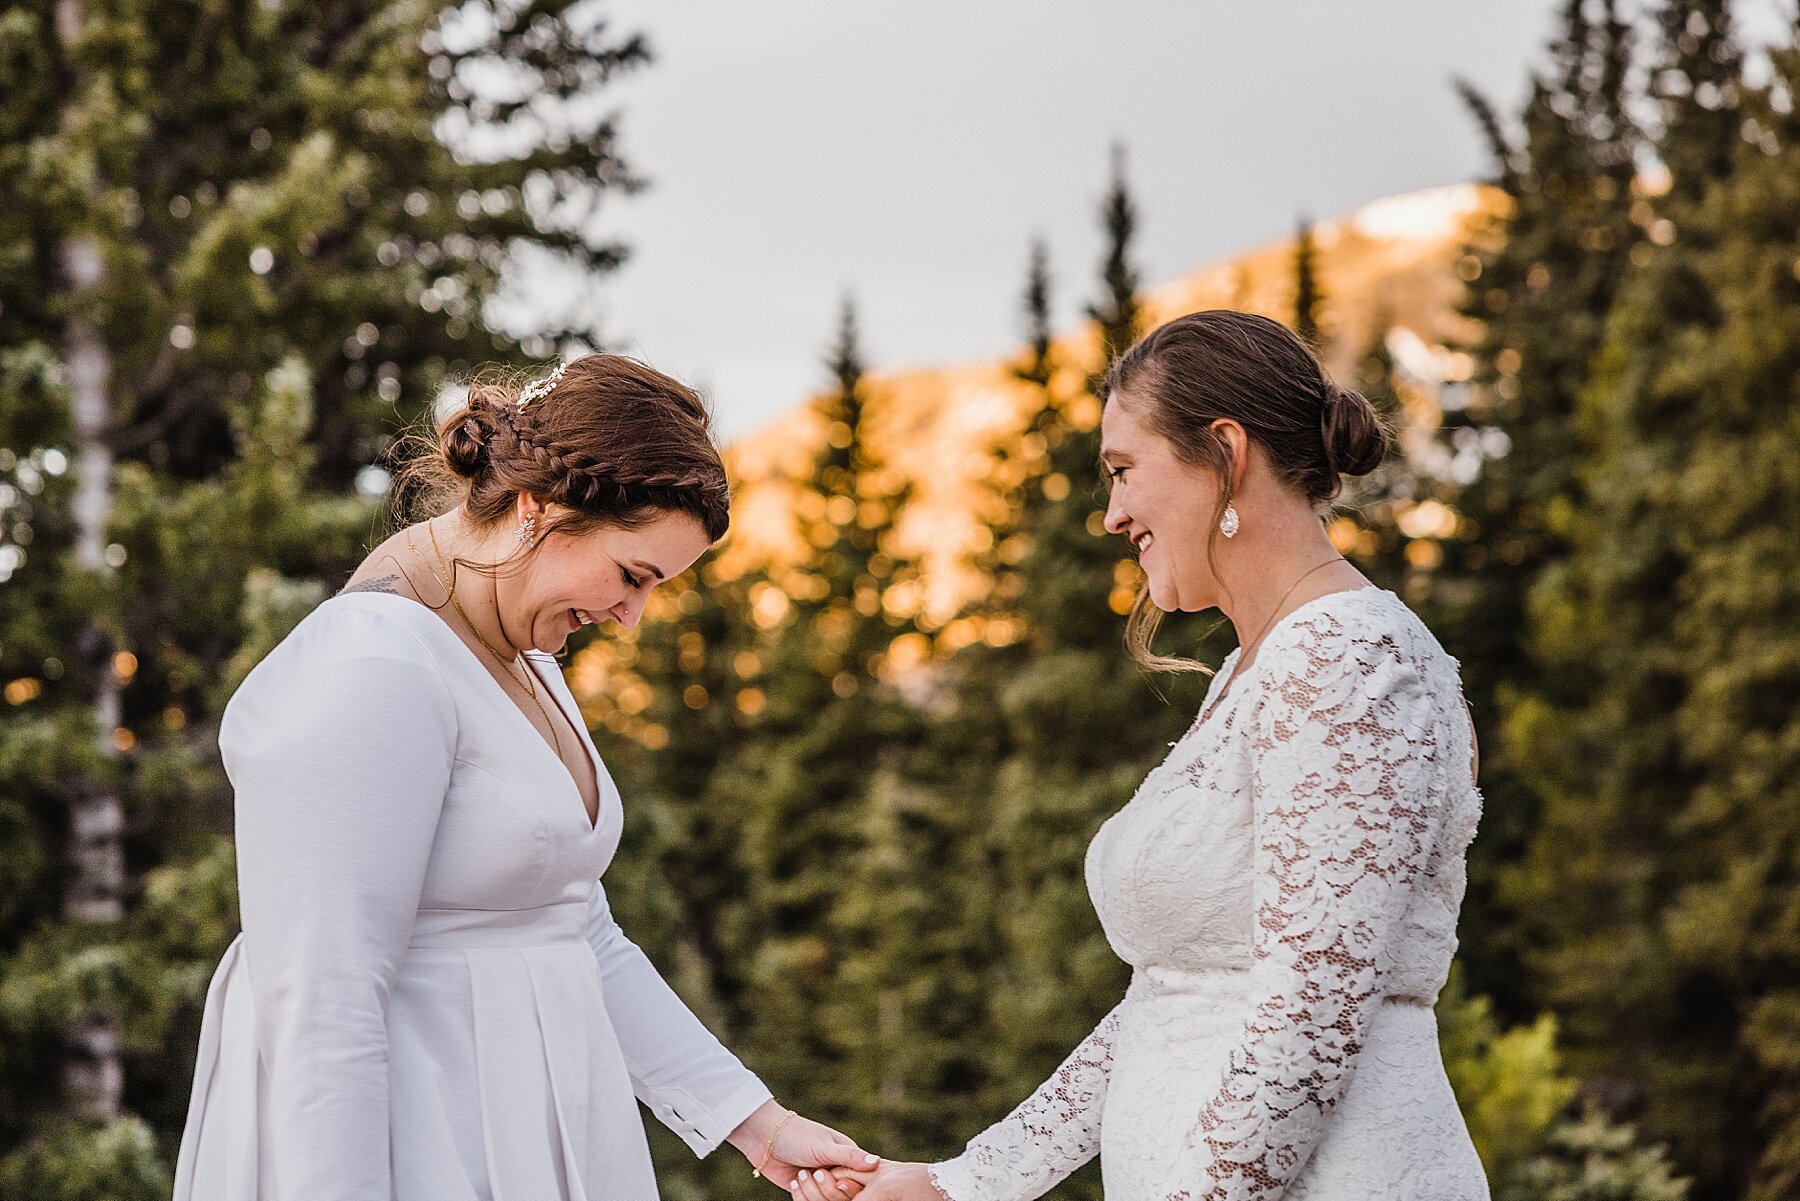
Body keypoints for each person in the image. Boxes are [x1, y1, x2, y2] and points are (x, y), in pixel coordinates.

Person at [816, 311, 1488, 1201]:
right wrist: (967, 1182)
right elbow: (1170, 1003)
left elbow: (1310, 1024)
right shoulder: (1255, 669)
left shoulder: (1348, 662)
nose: (1112, 513)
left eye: (1125, 470)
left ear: (1225, 452)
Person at [172, 354, 878, 1200]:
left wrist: (757, 1125)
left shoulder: (516, 649)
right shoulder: (370, 666)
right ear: (539, 511)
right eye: (631, 577)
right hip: (419, 1147)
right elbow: (324, 1006)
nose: (631, 617)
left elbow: (576, 928)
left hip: (530, 1137)